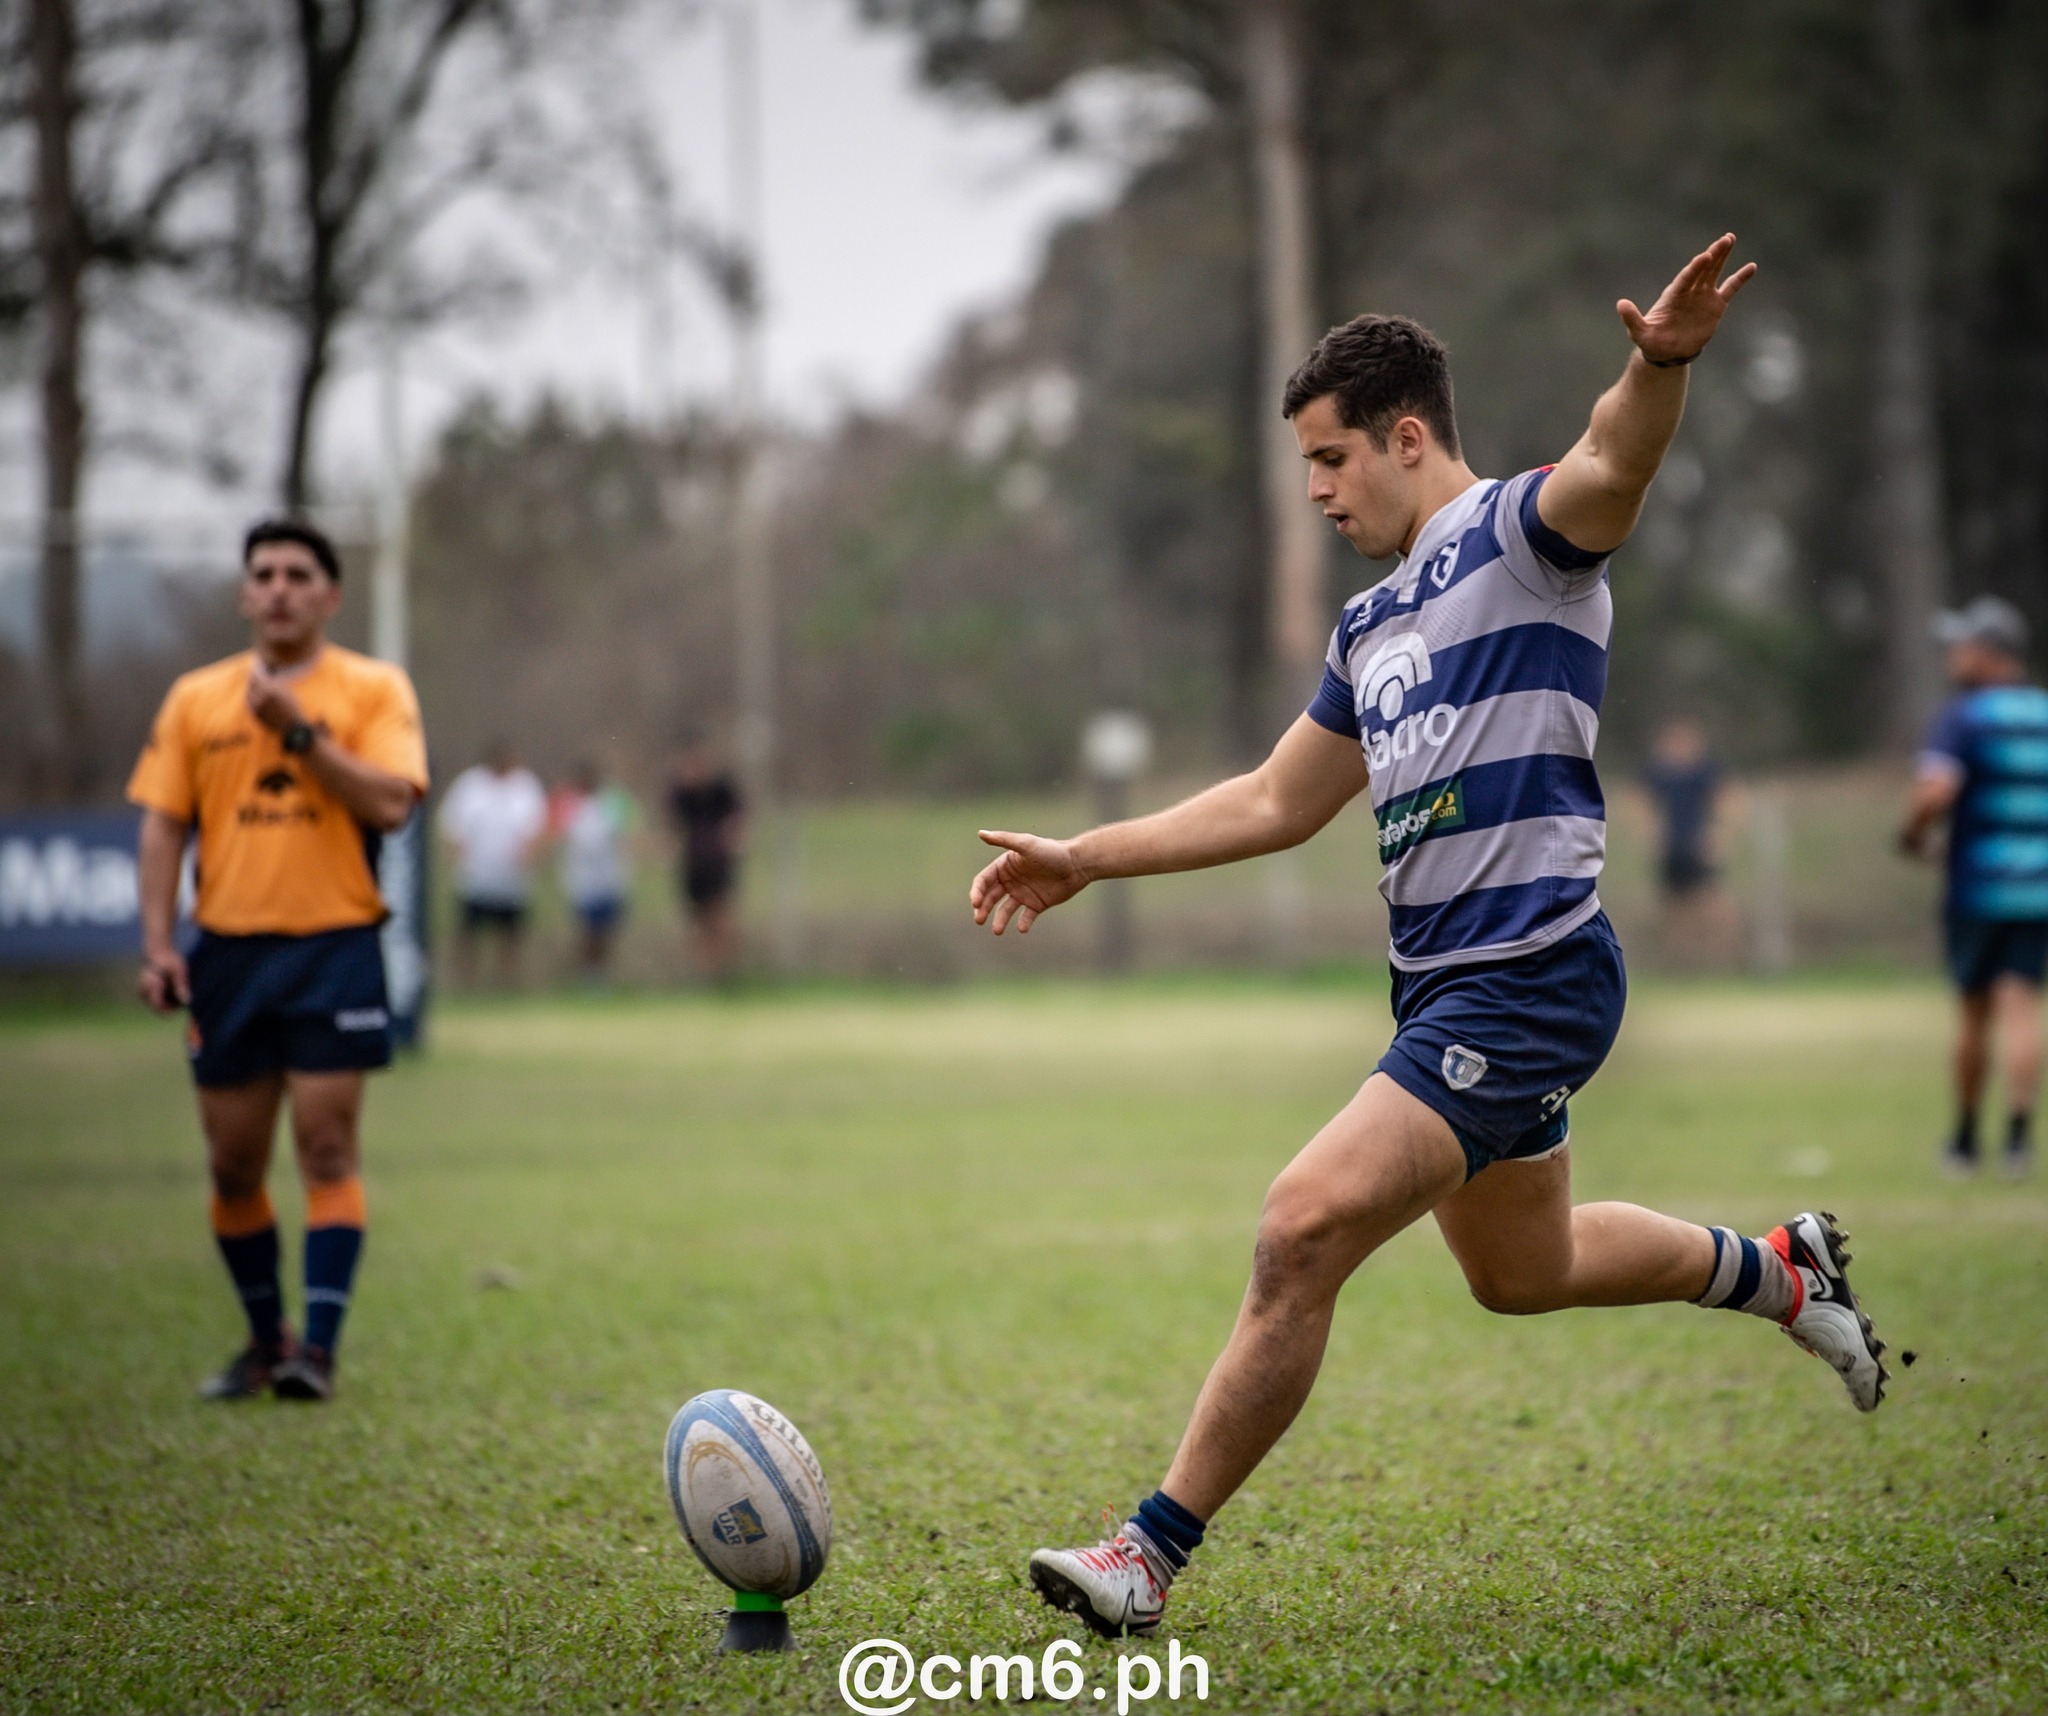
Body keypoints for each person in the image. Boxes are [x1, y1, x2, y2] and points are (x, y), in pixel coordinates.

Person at [968, 237, 1888, 1639]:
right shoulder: (1368, 623)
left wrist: (1662, 364)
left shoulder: (1520, 541)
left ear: (1408, 438)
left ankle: (1147, 1555)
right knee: (1525, 1274)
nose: (1321, 494)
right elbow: (1280, 797)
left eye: (1333, 462)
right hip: (1438, 994)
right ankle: (1781, 1270)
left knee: (1299, 1226)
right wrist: (1088, 854)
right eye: (1307, 471)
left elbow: (1610, 465)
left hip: (1527, 980)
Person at [128, 518, 427, 1402]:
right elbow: (162, 824)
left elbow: (391, 803)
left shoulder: (373, 689)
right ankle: (267, 1341)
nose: (281, 588)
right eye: (265, 574)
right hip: (227, 954)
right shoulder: (195, 700)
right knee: (232, 1165)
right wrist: (156, 944)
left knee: (328, 1147)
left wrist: (299, 734)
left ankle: (317, 1354)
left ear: (330, 596)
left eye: (300, 574)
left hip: (335, 943)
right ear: (244, 594)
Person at [1899, 594, 2048, 1178]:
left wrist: (1912, 833)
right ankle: (2017, 1142)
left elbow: (1936, 790)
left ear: (1989, 654)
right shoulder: (2042, 713)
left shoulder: (1965, 716)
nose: (1953, 655)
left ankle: (1964, 1141)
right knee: (2022, 1008)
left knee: (1973, 1014)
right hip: (2038, 891)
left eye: (1963, 645)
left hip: (1980, 889)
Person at [437, 740, 547, 987]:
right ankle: (465, 984)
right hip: (475, 880)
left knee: (510, 937)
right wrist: (458, 857)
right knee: (468, 937)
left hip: (512, 882)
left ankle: (507, 985)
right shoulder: (469, 786)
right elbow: (450, 826)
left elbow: (539, 829)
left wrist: (528, 856)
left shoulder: (525, 787)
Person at [1640, 715, 1739, 965]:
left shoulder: (1706, 770)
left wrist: (1718, 834)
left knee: (1713, 906)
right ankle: (1682, 964)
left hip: (1698, 848)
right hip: (1672, 849)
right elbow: (1636, 800)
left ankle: (1722, 961)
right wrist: (1651, 834)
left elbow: (1731, 797)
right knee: (1674, 910)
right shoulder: (1658, 772)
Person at [553, 759, 639, 979]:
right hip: (581, 880)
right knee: (587, 930)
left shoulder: (613, 801)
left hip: (611, 878)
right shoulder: (568, 802)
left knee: (607, 931)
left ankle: (603, 975)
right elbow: (555, 832)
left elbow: (630, 832)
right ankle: (587, 975)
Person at [667, 741, 745, 982]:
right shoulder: (681, 793)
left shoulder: (722, 790)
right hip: (692, 865)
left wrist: (735, 836)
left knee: (720, 916)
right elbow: (672, 827)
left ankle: (721, 972)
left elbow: (739, 819)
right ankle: (702, 974)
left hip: (718, 863)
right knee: (697, 920)